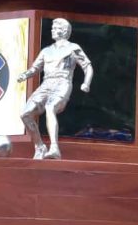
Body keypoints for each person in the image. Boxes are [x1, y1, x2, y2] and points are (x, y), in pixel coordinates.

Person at [18, 18, 93, 159]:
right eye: (52, 27)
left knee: (50, 107)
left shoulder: (73, 48)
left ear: (64, 31)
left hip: (62, 82)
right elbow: (35, 68)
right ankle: (39, 146)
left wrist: (86, 83)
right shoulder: (46, 51)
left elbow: (87, 66)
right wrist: (25, 75)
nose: (52, 30)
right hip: (46, 84)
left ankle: (54, 148)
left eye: (55, 28)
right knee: (25, 114)